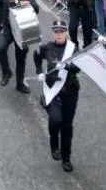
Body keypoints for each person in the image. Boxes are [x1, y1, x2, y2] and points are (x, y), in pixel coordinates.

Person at [34, 20, 80, 172]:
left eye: (61, 31)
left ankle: (66, 158)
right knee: (55, 120)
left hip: (70, 91)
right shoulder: (46, 47)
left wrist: (66, 65)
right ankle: (54, 144)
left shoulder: (73, 48)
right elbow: (36, 56)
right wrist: (39, 71)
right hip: (52, 90)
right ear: (53, 33)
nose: (59, 34)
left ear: (66, 32)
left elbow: (77, 68)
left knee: (67, 127)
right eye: (56, 31)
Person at [0, 0, 39, 94]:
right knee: (0, 48)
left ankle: (20, 83)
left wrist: (28, 4)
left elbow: (36, 9)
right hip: (8, 28)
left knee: (21, 57)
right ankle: (6, 72)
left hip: (23, 31)